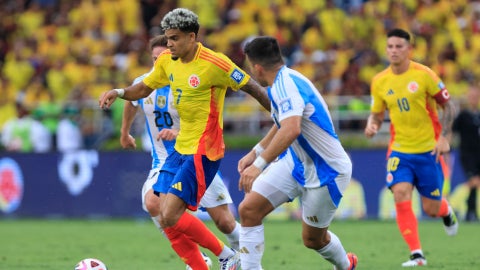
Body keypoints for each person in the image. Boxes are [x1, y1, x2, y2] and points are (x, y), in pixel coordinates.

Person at [99, 8, 270, 270]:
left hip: (204, 149)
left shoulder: (216, 63)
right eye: (167, 39)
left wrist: (281, 115)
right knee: (163, 213)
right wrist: (119, 91)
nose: (169, 45)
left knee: (205, 218)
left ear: (192, 37)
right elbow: (144, 87)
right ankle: (217, 260)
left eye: (174, 38)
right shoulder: (168, 61)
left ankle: (232, 257)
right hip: (180, 150)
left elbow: (252, 87)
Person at [120, 34, 241, 267]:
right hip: (164, 161)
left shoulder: (188, 83)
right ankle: (200, 259)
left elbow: (204, 118)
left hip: (197, 156)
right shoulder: (145, 82)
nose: (158, 62)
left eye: (163, 56)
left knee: (225, 222)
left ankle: (245, 257)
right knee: (155, 204)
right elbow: (130, 100)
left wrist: (178, 133)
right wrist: (125, 132)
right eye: (155, 58)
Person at [238, 36, 357, 270]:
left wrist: (258, 165)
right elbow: (282, 122)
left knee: (313, 240)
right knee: (249, 210)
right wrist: (256, 150)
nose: (252, 73)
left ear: (258, 67)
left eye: (251, 68)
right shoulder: (283, 81)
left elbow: (292, 128)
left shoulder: (285, 86)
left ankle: (346, 265)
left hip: (327, 171)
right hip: (296, 163)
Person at [364, 28, 458, 267]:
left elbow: (449, 107)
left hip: (428, 151)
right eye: (390, 47)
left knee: (431, 208)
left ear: (409, 49)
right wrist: (372, 125)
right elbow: (376, 115)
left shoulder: (425, 75)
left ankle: (445, 210)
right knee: (400, 193)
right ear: (386, 49)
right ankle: (417, 254)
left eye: (399, 46)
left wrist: (444, 137)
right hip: (399, 150)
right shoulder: (380, 81)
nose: (394, 51)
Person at [452, 84, 480, 222]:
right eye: (472, 96)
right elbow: (452, 130)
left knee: (476, 184)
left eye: (476, 96)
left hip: (479, 155)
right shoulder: (463, 116)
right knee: (474, 182)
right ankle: (467, 210)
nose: (474, 98)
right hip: (467, 155)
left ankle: (470, 213)